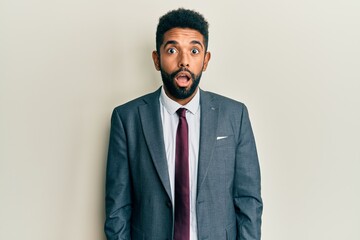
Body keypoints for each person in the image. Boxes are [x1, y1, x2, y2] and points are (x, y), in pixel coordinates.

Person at [105, 8, 263, 240]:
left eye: (194, 50)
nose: (184, 61)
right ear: (157, 59)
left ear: (206, 60)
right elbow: (117, 207)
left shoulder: (234, 115)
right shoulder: (127, 118)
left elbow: (249, 200)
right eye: (172, 50)